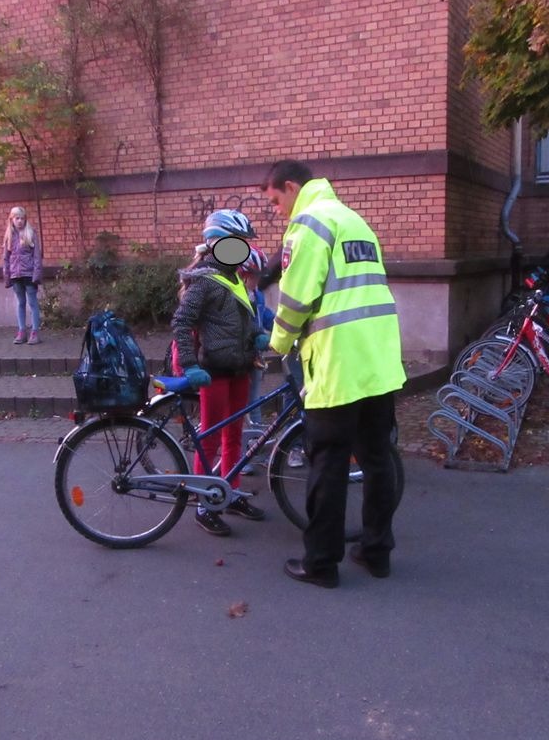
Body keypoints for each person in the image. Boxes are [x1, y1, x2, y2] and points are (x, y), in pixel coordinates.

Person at [261, 160, 406, 588]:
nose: (276, 211)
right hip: (378, 363)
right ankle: (377, 553)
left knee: (328, 463)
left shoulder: (309, 223)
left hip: (338, 365)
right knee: (378, 460)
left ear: (291, 187)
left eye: (274, 201)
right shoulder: (354, 220)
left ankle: (321, 564)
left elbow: (297, 296)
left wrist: (277, 345)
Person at [171, 209, 267, 536]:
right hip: (213, 371)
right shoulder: (204, 282)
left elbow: (245, 319)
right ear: (216, 243)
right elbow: (181, 324)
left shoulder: (233, 278)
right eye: (236, 241)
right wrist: (191, 365)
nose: (242, 247)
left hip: (240, 367)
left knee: (234, 437)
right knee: (210, 437)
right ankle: (203, 503)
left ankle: (230, 491)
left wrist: (257, 335)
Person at [238, 247, 274, 476]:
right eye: (255, 276)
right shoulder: (236, 298)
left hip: (255, 360)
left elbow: (267, 317)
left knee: (255, 405)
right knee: (242, 409)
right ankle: (242, 457)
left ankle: (256, 450)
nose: (258, 281)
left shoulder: (257, 295)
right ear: (242, 275)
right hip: (240, 361)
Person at [2, 206, 44, 345]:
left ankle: (35, 332)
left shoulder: (31, 233)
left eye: (22, 218)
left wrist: (36, 275)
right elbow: (6, 258)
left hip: (29, 274)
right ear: (12, 220)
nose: (19, 221)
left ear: (25, 219)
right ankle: (21, 331)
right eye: (17, 218)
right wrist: (7, 275)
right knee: (20, 302)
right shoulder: (9, 236)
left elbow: (37, 256)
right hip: (15, 275)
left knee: (32, 302)